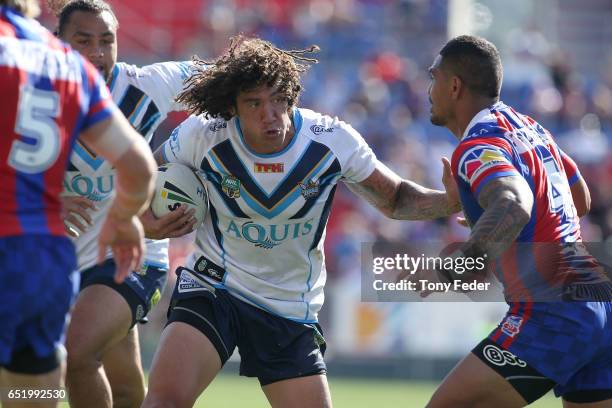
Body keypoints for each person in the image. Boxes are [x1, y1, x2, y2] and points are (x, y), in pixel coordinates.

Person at [142, 35, 461, 408]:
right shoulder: (203, 134)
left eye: (279, 99)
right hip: (214, 288)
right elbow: (144, 170)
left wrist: (450, 201)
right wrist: (141, 220)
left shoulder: (332, 141)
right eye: (255, 103)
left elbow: (396, 200)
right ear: (233, 108)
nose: (270, 113)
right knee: (163, 402)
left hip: (289, 307)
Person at [425, 35, 611, 407]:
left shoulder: (476, 145)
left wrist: (448, 271)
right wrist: (488, 216)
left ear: (454, 85)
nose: (429, 89)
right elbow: (580, 199)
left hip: (553, 313)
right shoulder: (530, 127)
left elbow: (512, 204)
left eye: (434, 78)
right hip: (598, 304)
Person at [0, 0, 156, 407]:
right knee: (33, 392)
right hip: (43, 260)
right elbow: (139, 167)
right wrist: (123, 219)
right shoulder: (68, 64)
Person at [46, 1, 197, 406]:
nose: (97, 52)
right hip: (65, 260)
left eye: (106, 40)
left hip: (134, 254)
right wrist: (46, 199)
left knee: (76, 355)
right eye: (84, 41)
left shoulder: (148, 85)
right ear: (58, 42)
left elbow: (229, 80)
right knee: (125, 385)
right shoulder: (32, 96)